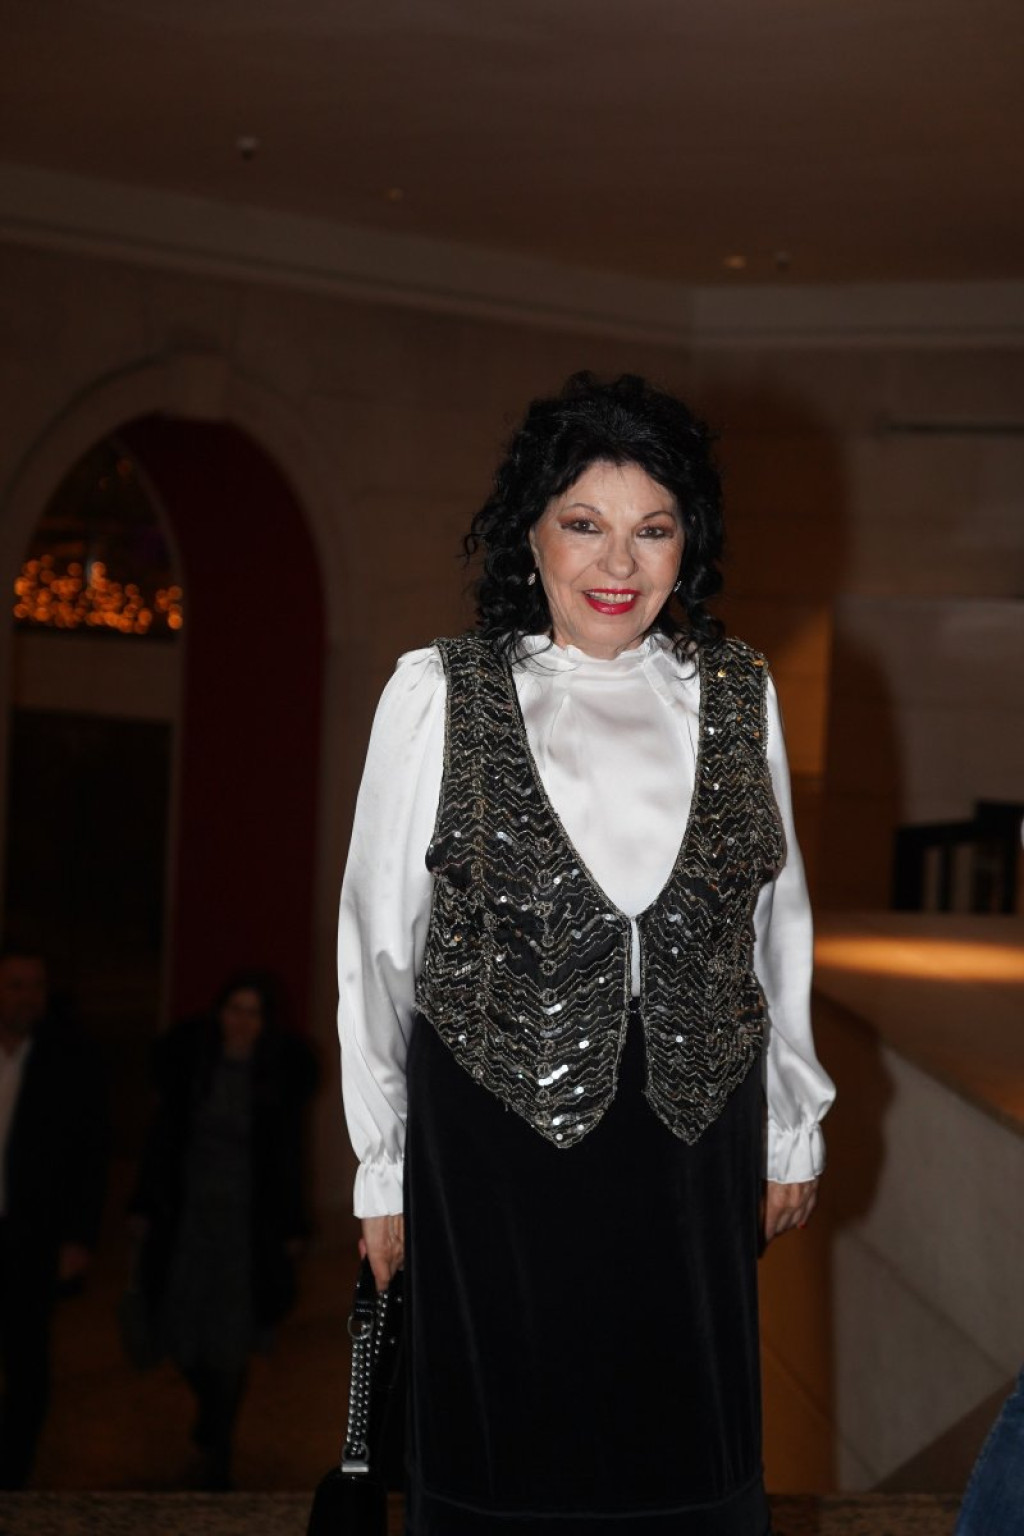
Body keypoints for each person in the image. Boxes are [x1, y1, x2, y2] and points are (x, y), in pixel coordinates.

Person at [338, 372, 836, 1535]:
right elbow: (377, 947)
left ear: (686, 543)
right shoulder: (437, 694)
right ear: (531, 533)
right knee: (508, 1460)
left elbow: (776, 919)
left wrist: (791, 1121)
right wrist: (380, 1168)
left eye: (652, 529)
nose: (619, 563)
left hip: (691, 1154)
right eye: (584, 523)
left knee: (685, 1459)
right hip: (490, 1160)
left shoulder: (737, 691)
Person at [130, 969, 317, 1488]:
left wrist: (293, 1225)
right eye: (235, 1009)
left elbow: (289, 1158)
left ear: (266, 1022)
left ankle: (218, 1449)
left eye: (253, 1013)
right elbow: (161, 1140)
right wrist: (144, 1203)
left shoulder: (275, 1080)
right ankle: (210, 1418)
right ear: (219, 1013)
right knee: (178, 1327)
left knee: (232, 1337)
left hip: (246, 1226)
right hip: (188, 1218)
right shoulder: (193, 1067)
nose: (242, 1021)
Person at [0, 944, 108, 1487]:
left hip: (31, 1235)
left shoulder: (69, 1060)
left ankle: (13, 1475)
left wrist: (78, 1238)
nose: (27, 997)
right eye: (15, 985)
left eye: (35, 986)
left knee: (27, 1360)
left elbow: (89, 1155)